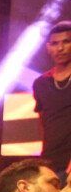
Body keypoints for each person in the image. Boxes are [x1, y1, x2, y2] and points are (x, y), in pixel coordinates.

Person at [34, 20, 71, 182]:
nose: (60, 48)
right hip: (51, 163)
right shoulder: (41, 83)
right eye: (55, 43)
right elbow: (43, 123)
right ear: (48, 47)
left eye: (66, 42)